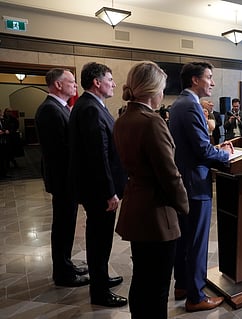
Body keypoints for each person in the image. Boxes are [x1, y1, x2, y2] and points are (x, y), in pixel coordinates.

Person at [113, 61, 189, 319]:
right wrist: (184, 205)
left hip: (135, 206)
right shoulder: (152, 122)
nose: (162, 95)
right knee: (157, 286)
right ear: (152, 90)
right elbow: (169, 174)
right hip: (156, 213)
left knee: (142, 278)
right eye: (162, 89)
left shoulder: (123, 119)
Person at [169, 61, 233, 312]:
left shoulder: (180, 104)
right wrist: (225, 155)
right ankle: (195, 297)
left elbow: (193, 146)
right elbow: (201, 150)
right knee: (196, 241)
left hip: (186, 180)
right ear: (195, 80)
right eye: (209, 77)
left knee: (185, 240)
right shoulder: (190, 106)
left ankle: (183, 284)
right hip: (195, 184)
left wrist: (214, 150)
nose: (213, 83)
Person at [68, 62, 127, 307]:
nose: (113, 84)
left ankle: (101, 278)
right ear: (96, 82)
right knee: (99, 239)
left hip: (95, 187)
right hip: (98, 190)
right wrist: (109, 191)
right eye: (110, 79)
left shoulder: (90, 105)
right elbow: (98, 154)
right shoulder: (90, 108)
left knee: (100, 238)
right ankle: (100, 292)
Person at [35, 68, 89, 287]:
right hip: (62, 179)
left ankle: (66, 264)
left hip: (66, 179)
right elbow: (60, 150)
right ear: (58, 84)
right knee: (62, 226)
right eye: (71, 82)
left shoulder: (60, 108)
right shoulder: (50, 109)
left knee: (66, 225)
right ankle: (63, 273)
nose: (75, 85)